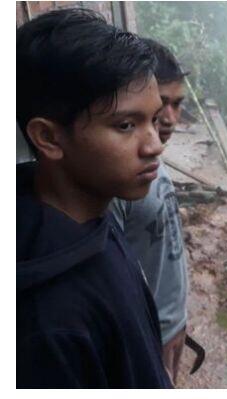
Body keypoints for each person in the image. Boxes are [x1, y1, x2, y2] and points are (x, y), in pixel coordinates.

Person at [17, 8, 171, 388]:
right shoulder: (49, 321)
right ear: (49, 138)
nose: (154, 146)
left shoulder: (93, 210)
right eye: (125, 125)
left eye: (153, 119)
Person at [111, 38, 195, 384]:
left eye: (178, 104)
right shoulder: (116, 182)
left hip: (170, 325)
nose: (172, 119)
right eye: (163, 104)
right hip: (147, 336)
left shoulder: (152, 157)